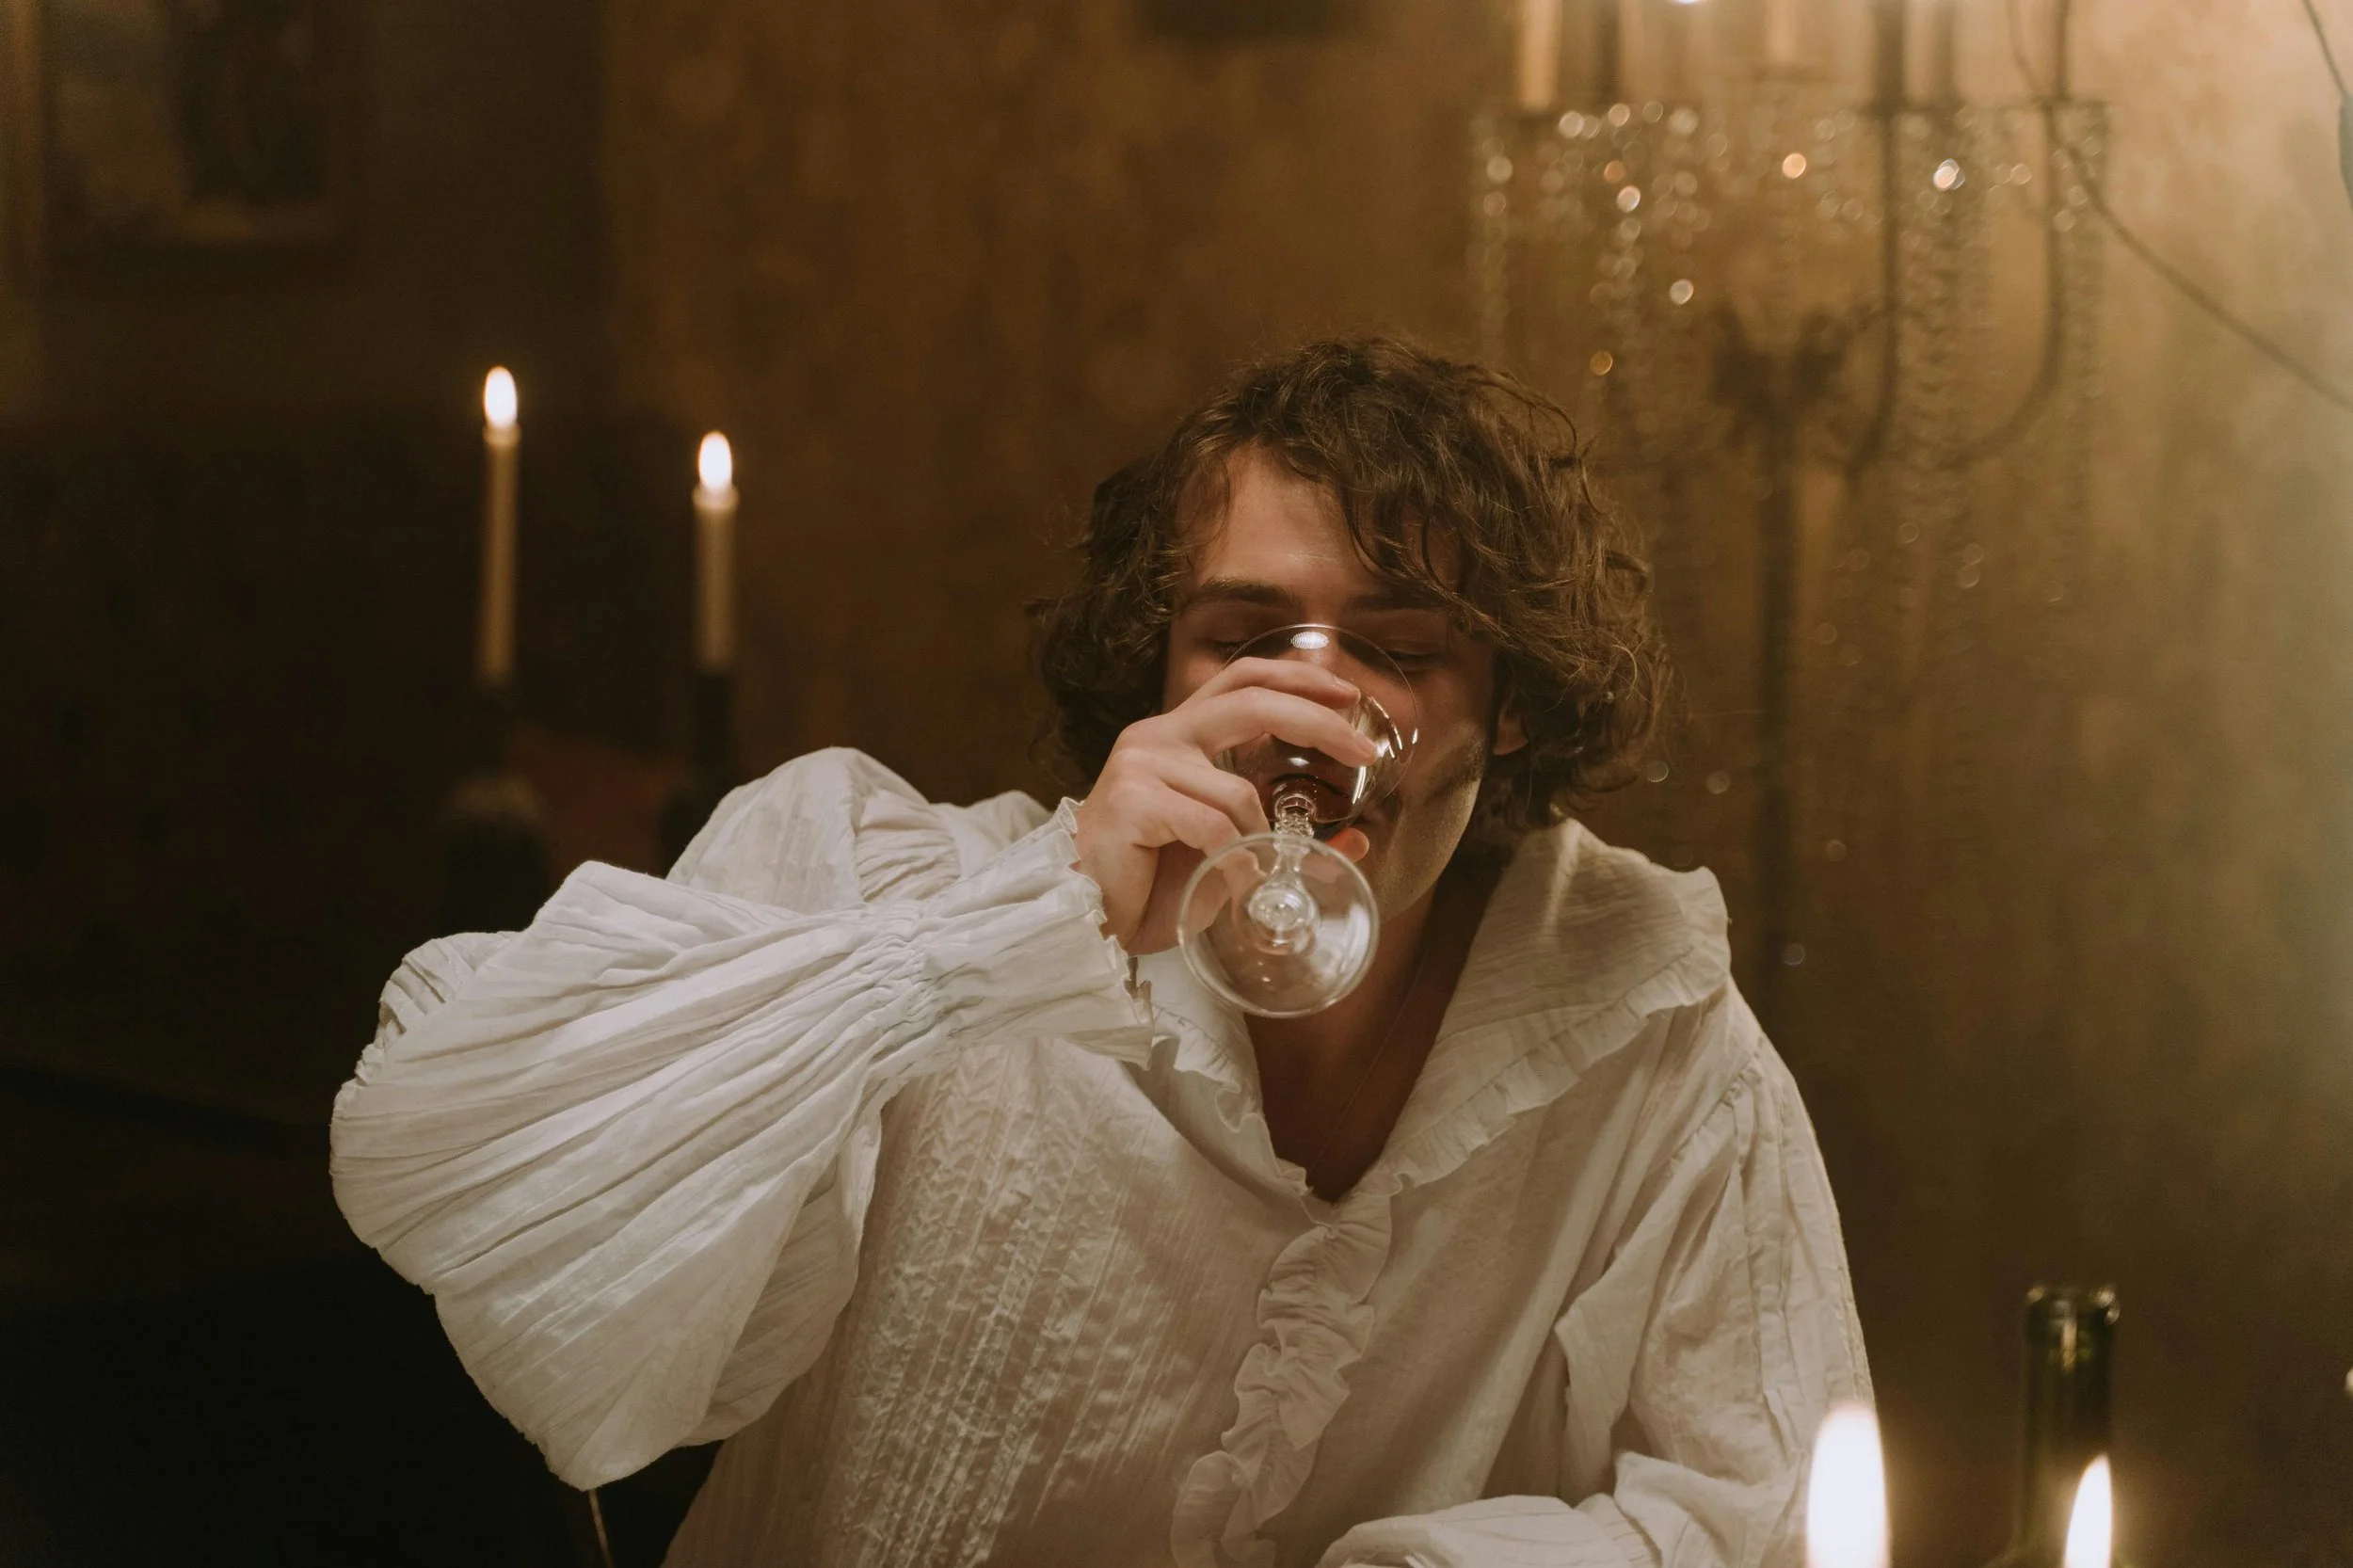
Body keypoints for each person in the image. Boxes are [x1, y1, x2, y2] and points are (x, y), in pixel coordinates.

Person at [330, 337, 1870, 1568]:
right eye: (1242, 637)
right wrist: (1015, 928)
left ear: (1509, 704)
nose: (1309, 717)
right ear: (1161, 664)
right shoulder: (898, 877)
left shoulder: (1641, 1011)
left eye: (1398, 650)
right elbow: (437, 1161)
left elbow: (1772, 1511)